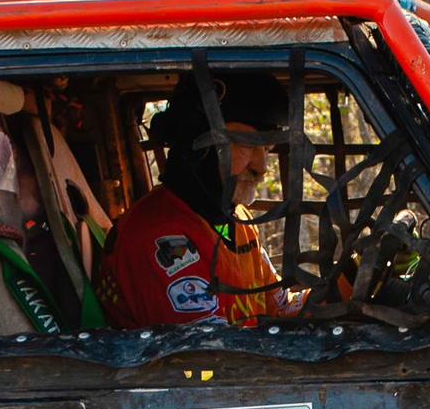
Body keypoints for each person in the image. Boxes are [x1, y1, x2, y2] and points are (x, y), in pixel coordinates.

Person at [96, 74, 294, 327]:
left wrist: (350, 276)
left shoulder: (237, 220)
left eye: (266, 149)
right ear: (198, 146)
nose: (262, 167)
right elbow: (209, 355)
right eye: (245, 144)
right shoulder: (156, 236)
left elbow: (280, 308)